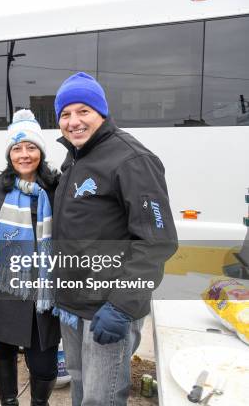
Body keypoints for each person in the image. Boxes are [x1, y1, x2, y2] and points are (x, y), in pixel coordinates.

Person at [51, 72, 178, 405]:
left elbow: (157, 242)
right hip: (74, 307)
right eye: (65, 114)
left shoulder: (132, 160)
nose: (73, 121)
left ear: (101, 113)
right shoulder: (76, 159)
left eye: (83, 111)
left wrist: (121, 306)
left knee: (101, 398)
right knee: (80, 389)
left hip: (107, 309)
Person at [0, 109, 60, 406]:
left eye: (31, 147)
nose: (24, 155)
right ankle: (9, 402)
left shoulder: (57, 190)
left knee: (43, 364)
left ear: (41, 151)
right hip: (1, 291)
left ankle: (39, 403)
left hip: (41, 295)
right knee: (2, 352)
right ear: (9, 155)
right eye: (17, 148)